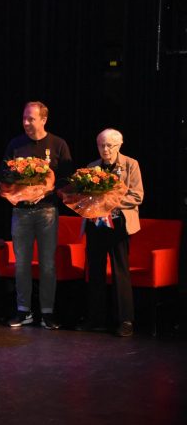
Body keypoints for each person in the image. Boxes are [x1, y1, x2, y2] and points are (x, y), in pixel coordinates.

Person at [3, 101, 73, 329]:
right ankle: (24, 311)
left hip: (47, 212)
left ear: (43, 120)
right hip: (21, 212)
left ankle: (47, 312)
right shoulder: (16, 144)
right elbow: (5, 175)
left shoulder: (58, 144)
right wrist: (21, 191)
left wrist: (47, 189)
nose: (26, 123)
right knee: (21, 264)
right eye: (24, 118)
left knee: (47, 265)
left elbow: (66, 178)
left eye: (31, 119)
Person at [77, 129, 143, 337]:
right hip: (96, 226)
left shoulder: (130, 165)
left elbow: (137, 196)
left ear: (119, 145)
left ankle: (125, 320)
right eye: (101, 145)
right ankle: (95, 318)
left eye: (109, 145)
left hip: (119, 226)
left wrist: (109, 201)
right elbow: (84, 196)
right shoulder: (91, 168)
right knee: (95, 272)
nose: (105, 149)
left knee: (120, 272)